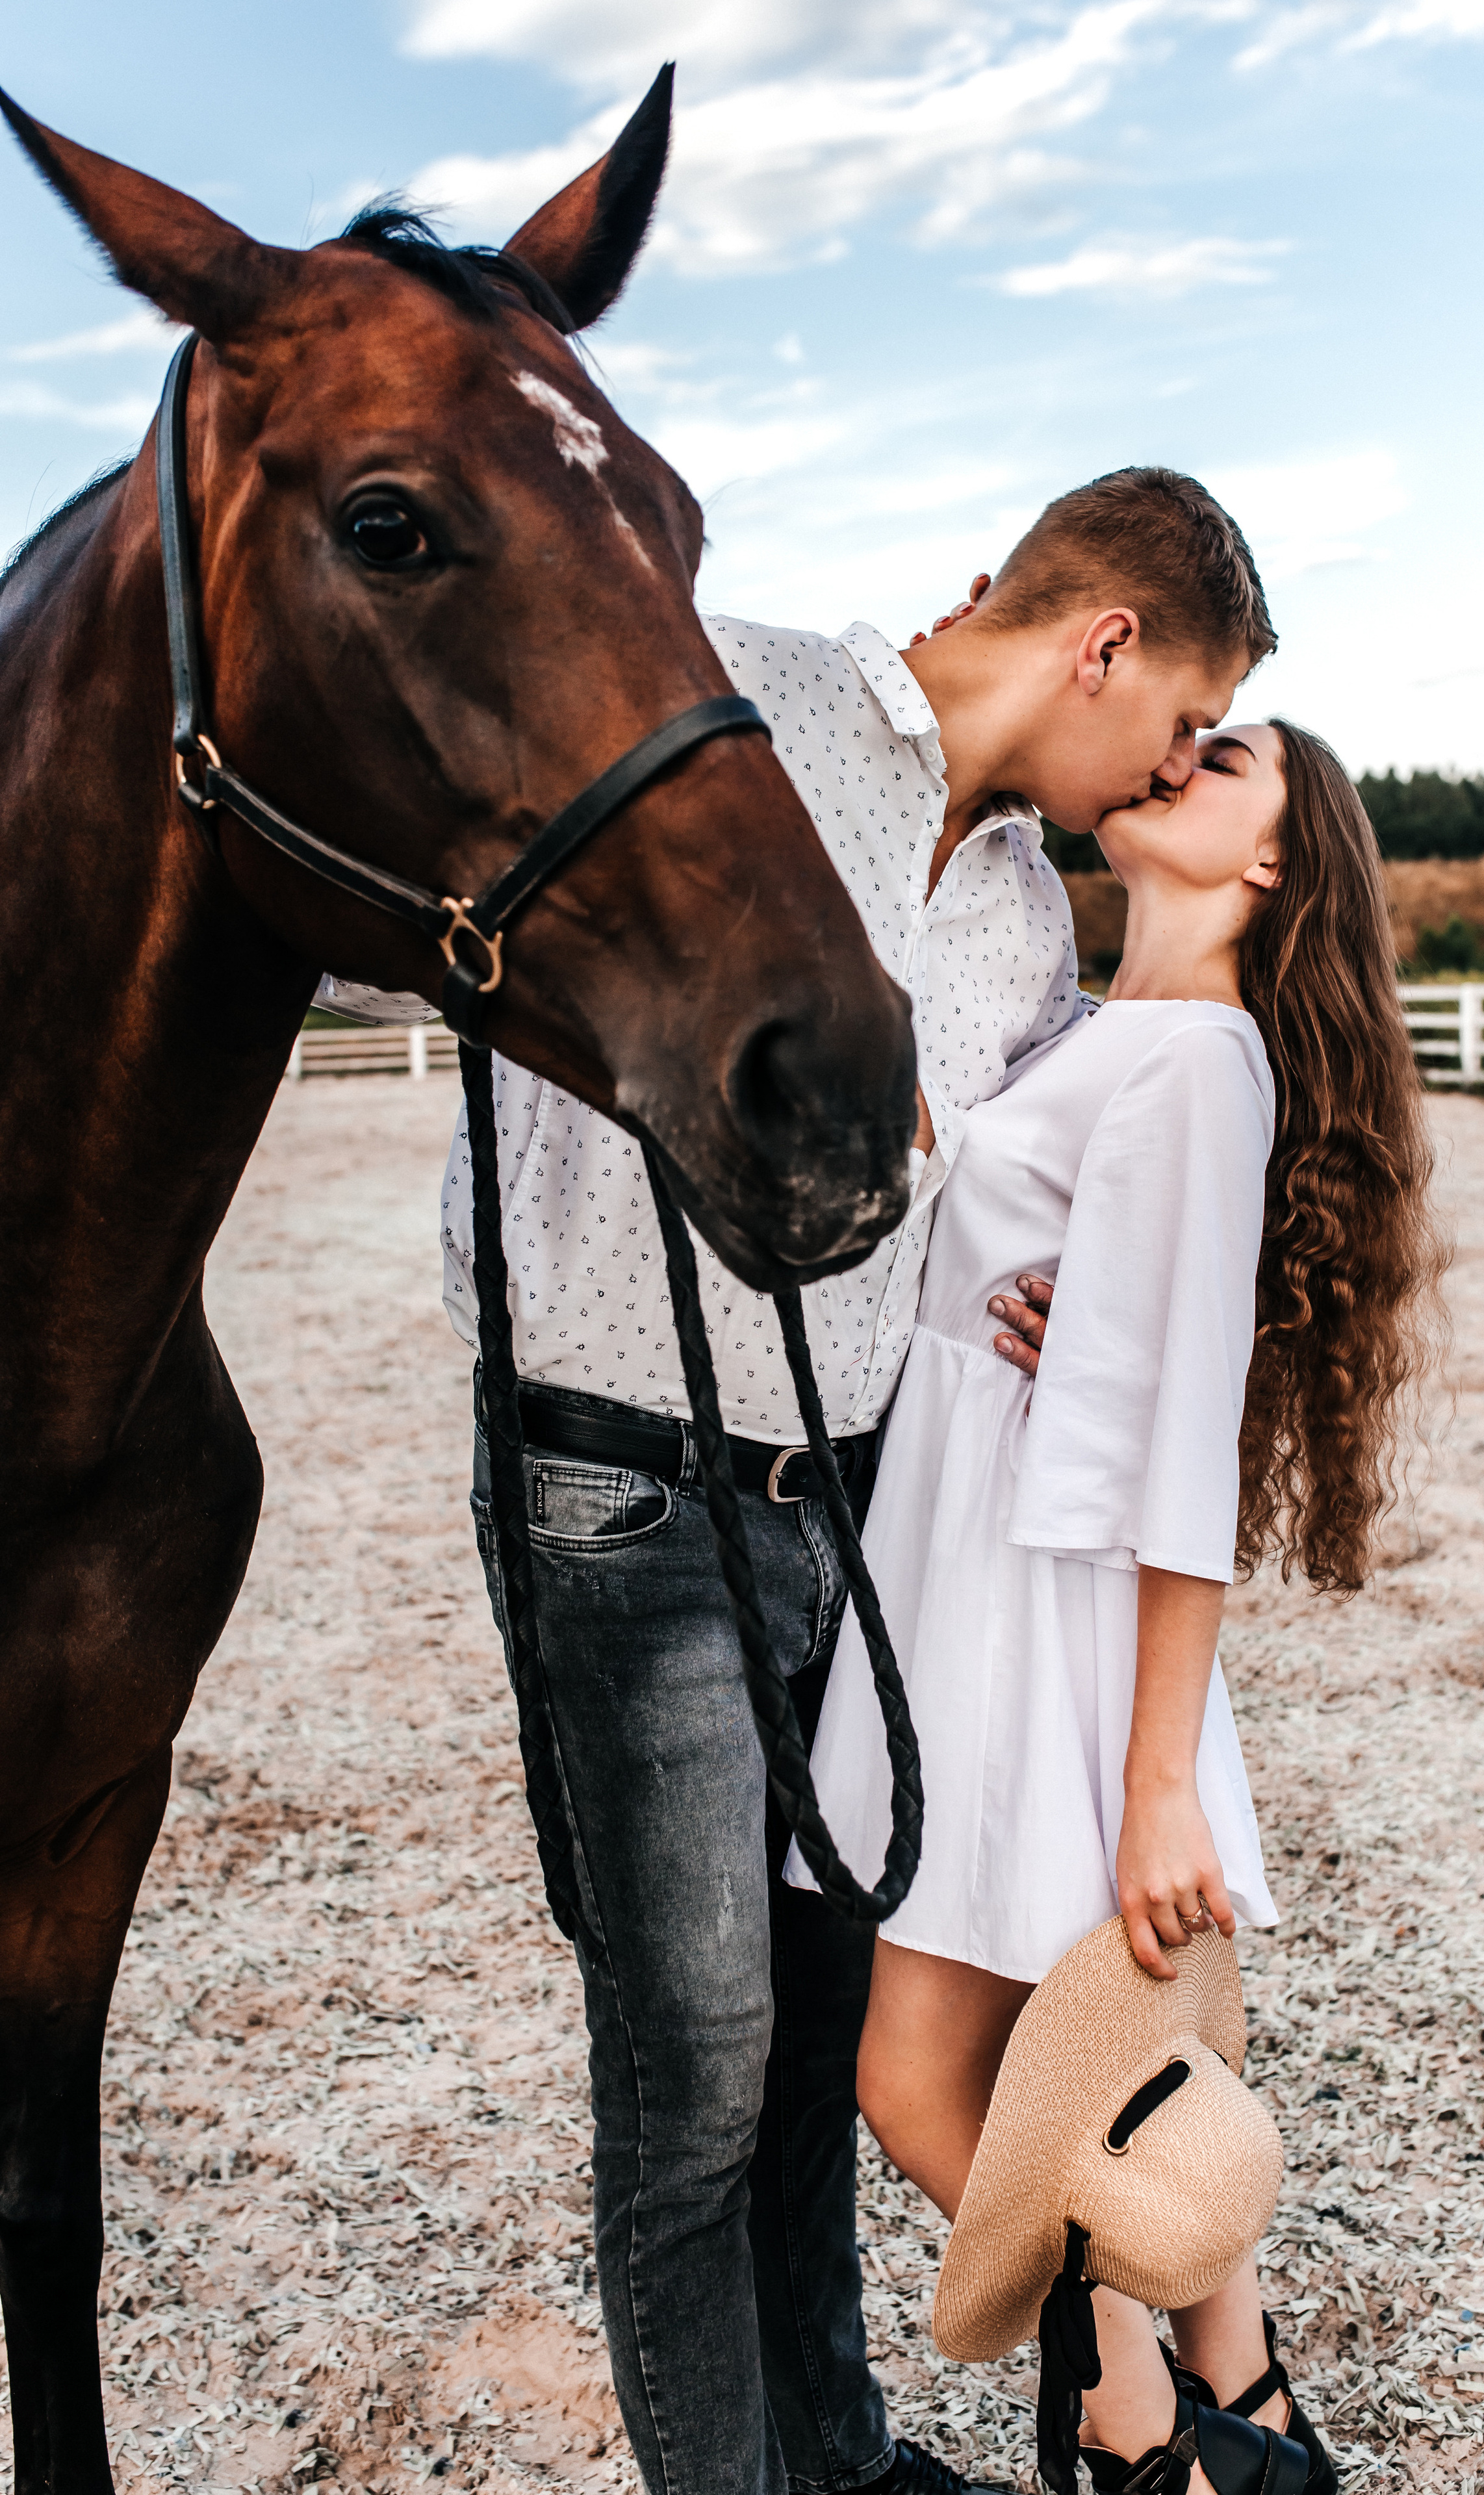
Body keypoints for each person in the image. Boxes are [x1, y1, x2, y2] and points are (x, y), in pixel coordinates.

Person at [426, 471, 1278, 2495]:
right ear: (1105, 647)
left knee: (814, 2042)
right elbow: (463, 924)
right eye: (1178, 723)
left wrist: (1092, 1299)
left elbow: (1047, 1174)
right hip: (618, 1481)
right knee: (698, 2079)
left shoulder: (1023, 919)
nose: (1170, 767)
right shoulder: (733, 700)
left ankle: (846, 2453)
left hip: (857, 1508)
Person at [789, 718, 1448, 2492]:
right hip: (989, 1562)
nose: (1174, 759)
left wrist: (1160, 1781)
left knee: (926, 2085)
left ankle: (1153, 2440)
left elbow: (1180, 1463)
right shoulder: (1122, 1039)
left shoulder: (1192, 1068)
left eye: (1223, 761)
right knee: (1096, 2063)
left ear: (1271, 870)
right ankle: (1250, 2405)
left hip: (1035, 1600)